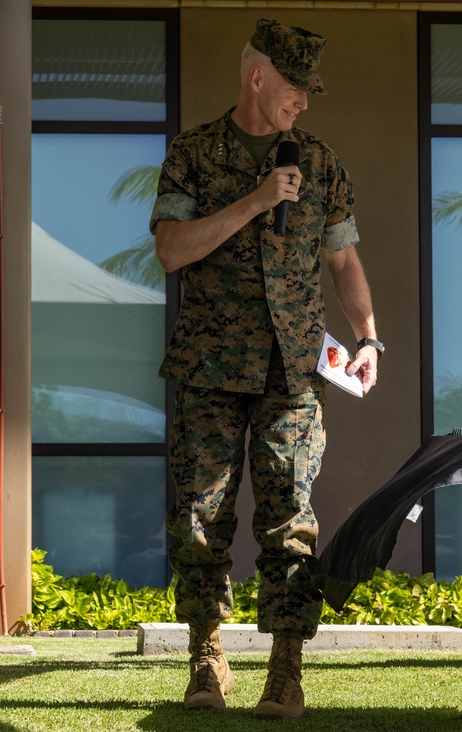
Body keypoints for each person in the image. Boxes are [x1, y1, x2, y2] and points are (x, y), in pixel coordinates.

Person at [149, 17, 383, 720]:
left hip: (291, 375)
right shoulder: (192, 155)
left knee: (289, 522)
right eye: (297, 88)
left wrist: (370, 337)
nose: (305, 102)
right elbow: (170, 250)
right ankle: (206, 661)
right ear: (259, 77)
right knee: (199, 520)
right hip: (209, 367)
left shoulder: (320, 163)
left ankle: (286, 674)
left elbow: (343, 259)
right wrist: (255, 200)